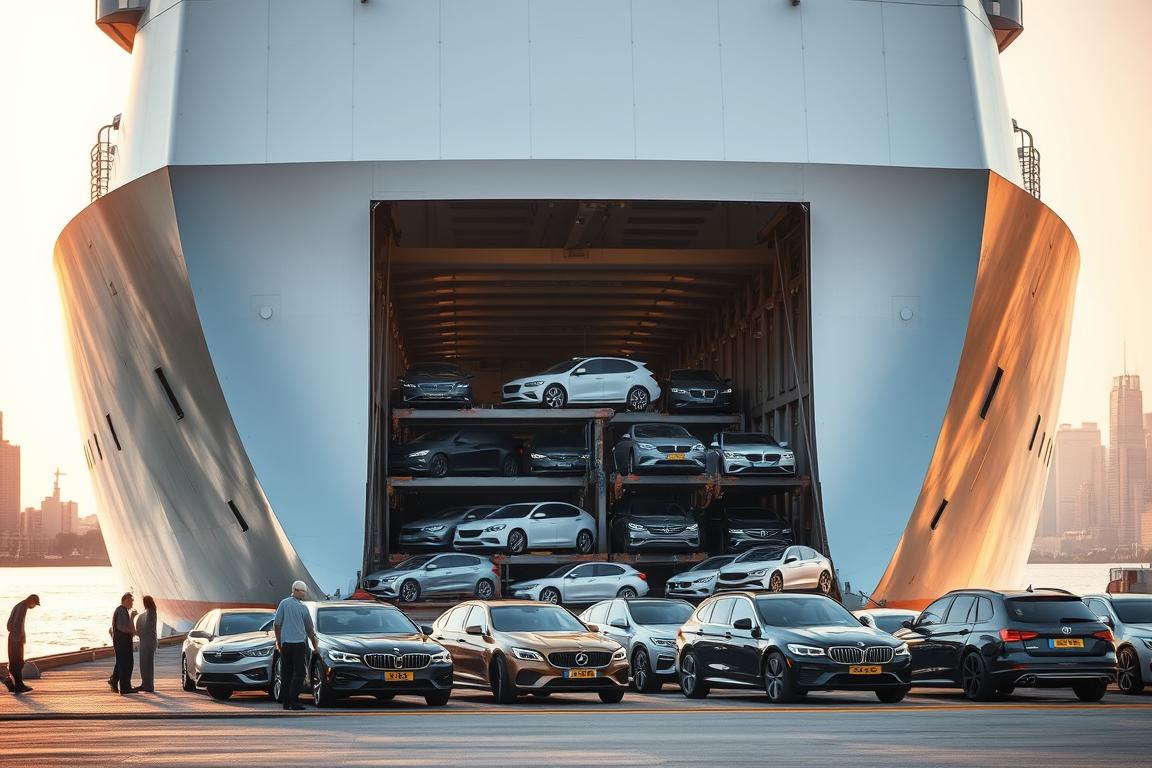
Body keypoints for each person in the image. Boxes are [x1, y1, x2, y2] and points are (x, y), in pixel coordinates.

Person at [273, 580, 318, 711]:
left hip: (286, 644)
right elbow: (310, 629)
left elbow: (277, 624)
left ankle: (286, 702)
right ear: (296, 590)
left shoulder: (283, 604)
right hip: (298, 645)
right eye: (302, 591)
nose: (304, 593)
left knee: (286, 673)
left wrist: (279, 642)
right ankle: (294, 699)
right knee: (300, 673)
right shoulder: (303, 608)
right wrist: (315, 645)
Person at [5, 594, 40, 695]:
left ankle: (12, 683)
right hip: (16, 639)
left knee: (14, 661)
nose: (34, 607)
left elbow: (9, 625)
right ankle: (19, 685)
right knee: (18, 662)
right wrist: (20, 638)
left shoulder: (18, 606)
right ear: (31, 600)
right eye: (35, 604)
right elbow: (17, 623)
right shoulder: (23, 607)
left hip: (13, 637)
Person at [109, 593, 138, 694]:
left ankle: (114, 681)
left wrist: (132, 617)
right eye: (130, 600)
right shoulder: (121, 610)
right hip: (122, 641)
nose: (132, 603)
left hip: (122, 641)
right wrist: (130, 631)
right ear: (125, 600)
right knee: (126, 663)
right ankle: (125, 688)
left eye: (132, 601)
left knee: (122, 663)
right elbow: (120, 626)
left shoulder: (124, 610)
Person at [135, 596, 158, 693]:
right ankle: (147, 684)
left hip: (147, 641)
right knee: (146, 663)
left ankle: (147, 685)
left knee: (146, 663)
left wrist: (137, 632)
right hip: (148, 641)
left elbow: (147, 628)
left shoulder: (151, 613)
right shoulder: (150, 612)